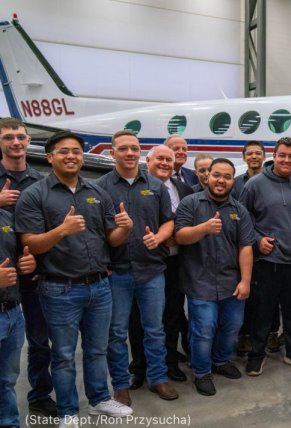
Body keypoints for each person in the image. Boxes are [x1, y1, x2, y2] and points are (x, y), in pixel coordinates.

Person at [15, 131, 134, 427]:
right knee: (65, 355)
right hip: (59, 289)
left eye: (77, 152)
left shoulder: (96, 191)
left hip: (99, 287)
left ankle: (99, 399)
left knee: (97, 349)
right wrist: (61, 231)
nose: (71, 156)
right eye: (64, 151)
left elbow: (113, 238)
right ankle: (68, 411)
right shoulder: (35, 195)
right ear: (50, 157)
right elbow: (30, 243)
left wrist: (126, 228)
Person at [95, 130, 177, 406]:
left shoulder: (156, 186)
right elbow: (96, 233)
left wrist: (160, 237)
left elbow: (169, 221)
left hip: (152, 270)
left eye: (134, 148)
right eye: (123, 149)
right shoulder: (101, 187)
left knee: (155, 328)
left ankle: (158, 378)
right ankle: (120, 385)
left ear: (139, 152)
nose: (129, 153)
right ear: (113, 152)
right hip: (116, 272)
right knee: (116, 332)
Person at [174, 158, 254, 395]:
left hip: (231, 281)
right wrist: (204, 229)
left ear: (233, 180)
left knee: (232, 327)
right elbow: (180, 236)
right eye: (217, 175)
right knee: (204, 329)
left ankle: (221, 361)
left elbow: (246, 247)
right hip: (200, 281)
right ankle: (202, 372)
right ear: (207, 176)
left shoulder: (239, 210)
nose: (221, 181)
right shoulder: (190, 203)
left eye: (227, 177)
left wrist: (245, 281)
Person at [240, 137, 291, 376]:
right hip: (268, 261)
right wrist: (256, 240)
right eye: (282, 155)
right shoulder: (254, 185)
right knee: (263, 311)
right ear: (275, 155)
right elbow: (243, 221)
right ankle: (257, 354)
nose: (286, 160)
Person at [0, 118, 54, 416]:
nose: (16, 143)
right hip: (1, 276)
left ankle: (40, 393)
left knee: (38, 338)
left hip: (33, 272)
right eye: (8, 138)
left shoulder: (41, 181)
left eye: (20, 137)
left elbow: (49, 225)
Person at [129, 145, 194, 388]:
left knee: (172, 314)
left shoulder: (185, 189)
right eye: (160, 159)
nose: (165, 163)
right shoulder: (135, 187)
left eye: (170, 159)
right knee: (137, 319)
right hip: (143, 262)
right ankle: (139, 367)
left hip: (175, 261)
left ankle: (169, 363)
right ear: (148, 160)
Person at [0, 208, 37, 428]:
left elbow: (15, 260)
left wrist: (27, 264)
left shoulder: (6, 217)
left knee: (6, 381)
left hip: (13, 312)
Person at [232, 140, 267, 355]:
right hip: (241, 246)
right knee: (244, 294)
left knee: (263, 297)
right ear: (244, 157)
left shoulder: (271, 181)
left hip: (264, 248)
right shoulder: (235, 183)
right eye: (250, 153)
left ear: (264, 156)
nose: (254, 157)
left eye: (258, 153)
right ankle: (243, 336)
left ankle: (265, 335)